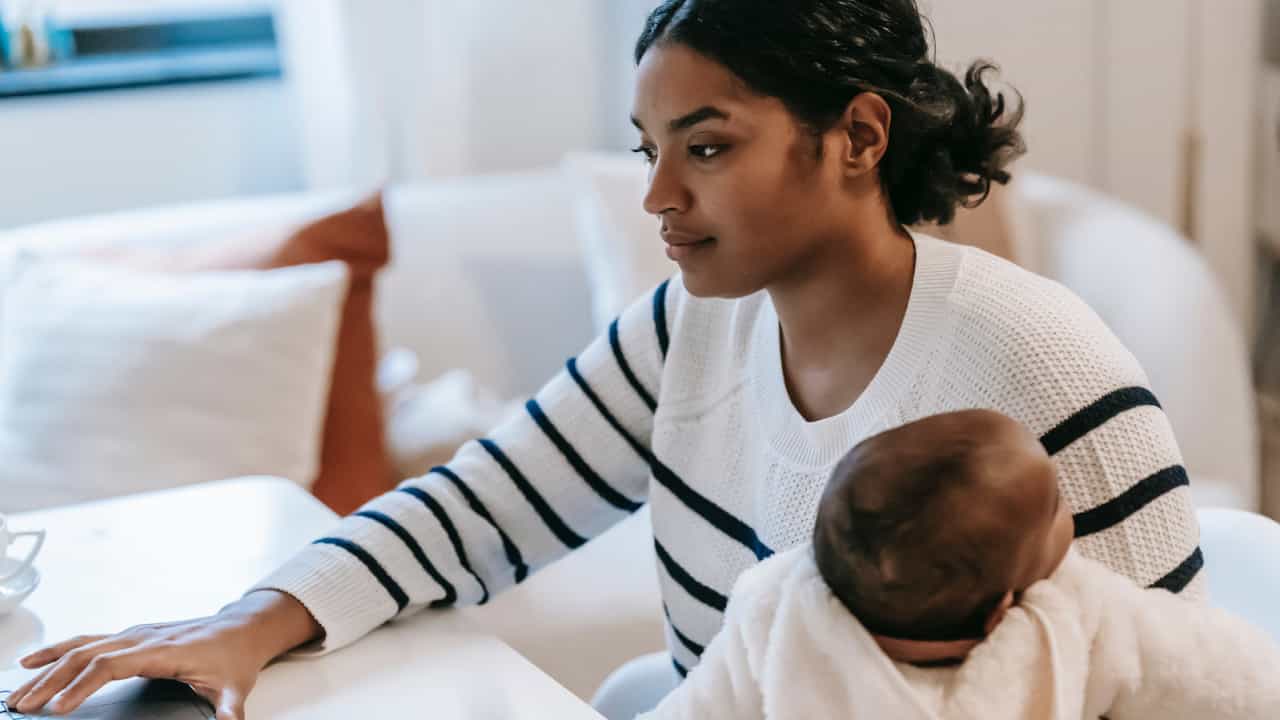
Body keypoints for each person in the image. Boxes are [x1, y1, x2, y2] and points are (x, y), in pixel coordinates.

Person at [5, 1, 1204, 718]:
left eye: (707, 146)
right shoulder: (690, 327)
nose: (658, 197)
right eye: (646, 149)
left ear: (857, 136)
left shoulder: (1036, 363)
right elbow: (479, 508)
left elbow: (1168, 682)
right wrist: (252, 619)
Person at [640, 410, 1280, 719]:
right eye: (1058, 505)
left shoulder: (780, 610)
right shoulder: (1075, 619)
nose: (1072, 510)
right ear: (1004, 603)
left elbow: (696, 710)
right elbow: (1225, 676)